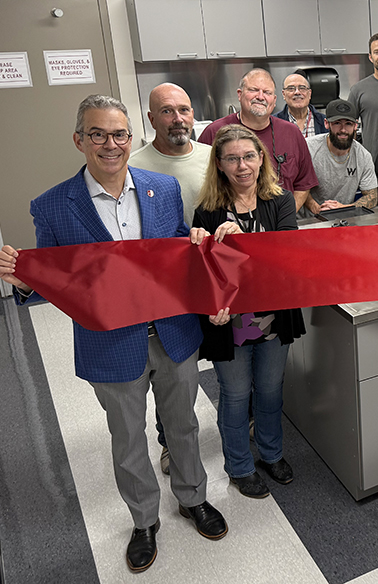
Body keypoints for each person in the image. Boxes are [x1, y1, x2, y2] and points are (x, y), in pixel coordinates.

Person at [0, 95, 227, 574]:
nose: (110, 144)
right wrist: (25, 282)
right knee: (127, 437)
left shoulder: (162, 188)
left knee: (182, 424)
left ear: (130, 137)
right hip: (110, 343)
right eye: (97, 134)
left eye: (119, 134)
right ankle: (144, 520)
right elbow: (58, 282)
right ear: (79, 140)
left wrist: (196, 243)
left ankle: (192, 498)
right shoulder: (53, 206)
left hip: (172, 333)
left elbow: (178, 250)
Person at [192, 124, 305, 497]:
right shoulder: (207, 211)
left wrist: (246, 242)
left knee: (270, 392)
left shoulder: (280, 201)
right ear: (219, 164)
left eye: (248, 156)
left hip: (273, 318)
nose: (242, 166)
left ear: (261, 159)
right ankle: (240, 466)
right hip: (230, 324)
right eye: (232, 159)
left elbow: (286, 257)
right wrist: (209, 307)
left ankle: (272, 454)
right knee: (236, 396)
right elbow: (200, 273)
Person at [128, 82, 211, 476]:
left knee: (216, 356)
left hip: (212, 276)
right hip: (168, 288)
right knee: (171, 368)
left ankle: (236, 423)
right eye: (167, 111)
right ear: (151, 118)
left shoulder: (211, 156)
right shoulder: (135, 165)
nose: (178, 119)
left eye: (184, 110)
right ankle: (169, 441)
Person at [199, 68, 319, 212]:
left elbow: (303, 183)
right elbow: (202, 183)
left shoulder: (292, 132)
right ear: (240, 94)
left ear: (274, 100)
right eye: (254, 90)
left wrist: (285, 216)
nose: (261, 97)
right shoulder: (214, 132)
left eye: (267, 92)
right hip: (230, 222)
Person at [302, 99, 378, 216]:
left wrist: (344, 209)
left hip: (344, 218)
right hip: (309, 220)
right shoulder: (308, 148)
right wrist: (317, 208)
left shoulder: (363, 156)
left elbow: (372, 196)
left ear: (355, 125)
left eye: (348, 124)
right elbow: (298, 186)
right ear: (326, 123)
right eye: (337, 123)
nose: (343, 130)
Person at [274, 70, 327, 138]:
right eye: (291, 88)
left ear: (309, 94)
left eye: (302, 88)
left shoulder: (325, 122)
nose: (297, 92)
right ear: (284, 94)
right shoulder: (273, 123)